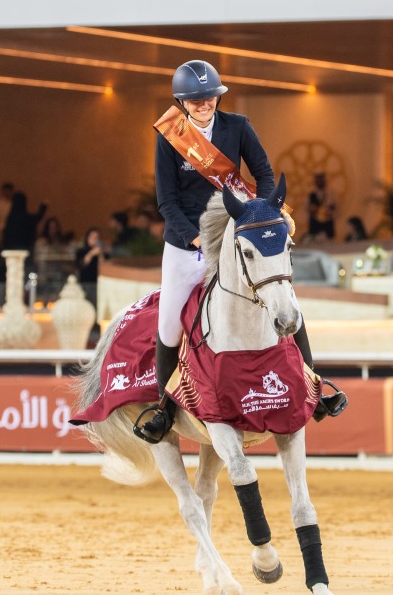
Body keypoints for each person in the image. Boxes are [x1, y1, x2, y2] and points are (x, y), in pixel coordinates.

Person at [135, 59, 347, 444]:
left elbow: (265, 174)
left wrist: (260, 215)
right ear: (182, 103)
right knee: (168, 322)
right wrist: (196, 238)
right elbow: (166, 201)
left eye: (210, 98)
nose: (204, 105)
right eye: (196, 101)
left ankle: (315, 388)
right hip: (188, 244)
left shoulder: (239, 126)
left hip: (238, 235)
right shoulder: (170, 136)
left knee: (286, 301)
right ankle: (163, 408)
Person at [75, 227, 107, 309]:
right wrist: (91, 253)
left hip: (97, 282)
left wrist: (100, 254)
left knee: (96, 305)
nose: (94, 240)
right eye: (92, 237)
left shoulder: (102, 253)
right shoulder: (81, 251)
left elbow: (103, 266)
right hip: (85, 281)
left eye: (96, 238)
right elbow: (82, 264)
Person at [306, 172, 338, 241]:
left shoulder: (330, 194)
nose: (319, 182)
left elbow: (335, 207)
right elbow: (307, 208)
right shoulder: (311, 195)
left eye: (321, 180)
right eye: (318, 180)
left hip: (327, 221)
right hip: (315, 222)